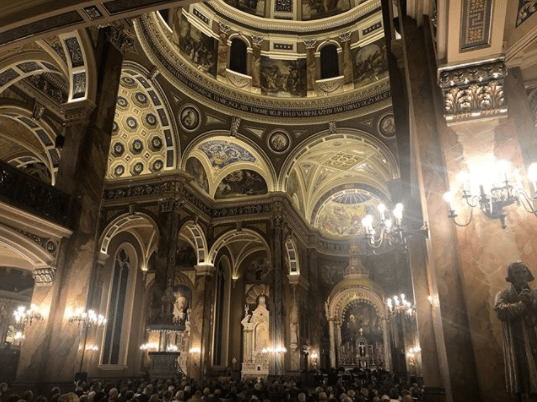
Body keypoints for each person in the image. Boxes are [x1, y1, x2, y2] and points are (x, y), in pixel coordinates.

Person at [494, 260, 537, 402]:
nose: (520, 276)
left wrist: (533, 303)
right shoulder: (504, 294)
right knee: (522, 377)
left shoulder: (535, 293)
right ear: (510, 276)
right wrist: (522, 304)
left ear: (528, 273)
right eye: (516, 273)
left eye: (523, 271)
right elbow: (501, 311)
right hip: (519, 343)